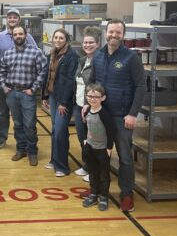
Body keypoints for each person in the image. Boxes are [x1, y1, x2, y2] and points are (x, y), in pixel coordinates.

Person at [89, 18, 146, 212]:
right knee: (97, 154)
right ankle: (97, 189)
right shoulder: (98, 56)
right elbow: (92, 82)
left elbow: (141, 86)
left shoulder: (131, 58)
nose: (114, 35)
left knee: (125, 158)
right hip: (100, 115)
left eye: (118, 32)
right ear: (105, 33)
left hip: (122, 117)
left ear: (123, 35)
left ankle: (127, 194)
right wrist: (89, 105)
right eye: (111, 32)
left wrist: (133, 114)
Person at [0, 25, 47, 166]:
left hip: (27, 94)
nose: (18, 36)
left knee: (29, 125)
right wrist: (4, 86)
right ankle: (21, 149)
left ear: (26, 35)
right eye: (15, 34)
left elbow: (43, 70)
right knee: (18, 124)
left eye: (20, 34)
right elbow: (2, 72)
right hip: (12, 93)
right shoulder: (8, 53)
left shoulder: (35, 52)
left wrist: (33, 88)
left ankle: (32, 152)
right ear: (12, 37)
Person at [0, 8, 38, 149]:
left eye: (15, 17)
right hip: (4, 82)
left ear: (19, 19)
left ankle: (25, 143)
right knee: (3, 112)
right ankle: (1, 138)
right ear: (6, 19)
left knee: (23, 116)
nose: (12, 19)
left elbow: (37, 55)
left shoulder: (28, 37)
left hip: (22, 83)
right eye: (10, 17)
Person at [41, 29, 78, 177]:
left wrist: (63, 102)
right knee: (55, 130)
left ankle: (62, 166)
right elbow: (48, 76)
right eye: (55, 37)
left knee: (61, 131)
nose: (57, 40)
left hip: (64, 100)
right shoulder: (52, 54)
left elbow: (70, 81)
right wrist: (44, 95)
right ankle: (54, 160)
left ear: (66, 40)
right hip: (53, 96)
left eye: (61, 38)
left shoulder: (71, 56)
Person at [73, 26, 102, 182]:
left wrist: (88, 104)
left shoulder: (100, 61)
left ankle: (95, 171)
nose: (87, 45)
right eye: (85, 42)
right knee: (82, 138)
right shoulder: (83, 60)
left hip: (92, 106)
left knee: (94, 140)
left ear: (98, 44)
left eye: (91, 42)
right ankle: (87, 165)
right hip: (79, 105)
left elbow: (95, 85)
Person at [81, 83, 116, 212]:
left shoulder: (104, 114)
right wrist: (85, 140)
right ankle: (93, 193)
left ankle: (104, 197)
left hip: (102, 149)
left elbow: (110, 131)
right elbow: (85, 126)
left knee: (103, 174)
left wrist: (109, 147)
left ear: (103, 98)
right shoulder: (86, 111)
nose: (92, 99)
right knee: (93, 172)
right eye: (90, 96)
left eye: (96, 97)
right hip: (90, 147)